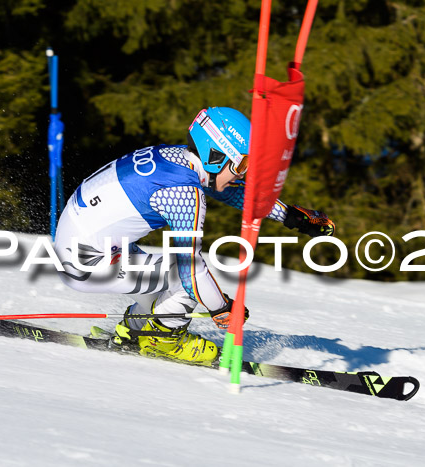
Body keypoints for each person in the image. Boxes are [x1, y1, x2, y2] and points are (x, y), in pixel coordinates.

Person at [53, 107, 334, 364]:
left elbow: (232, 191)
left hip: (81, 249)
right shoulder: (185, 194)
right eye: (241, 165)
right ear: (215, 156)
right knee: (181, 277)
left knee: (168, 278)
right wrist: (221, 308)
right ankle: (162, 340)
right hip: (86, 264)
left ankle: (135, 331)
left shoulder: (176, 159)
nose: (242, 175)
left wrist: (289, 216)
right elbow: (191, 272)